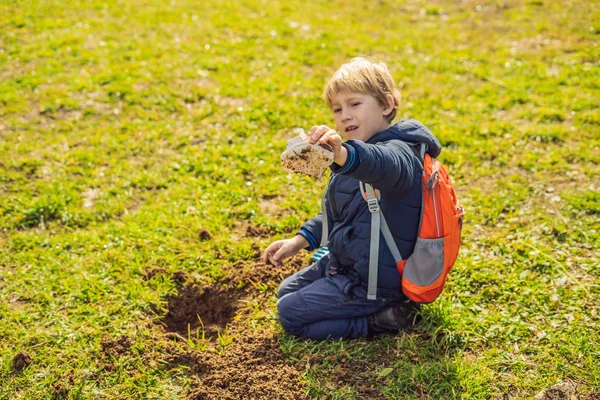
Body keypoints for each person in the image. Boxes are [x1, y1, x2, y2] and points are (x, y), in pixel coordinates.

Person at [262, 57, 442, 340]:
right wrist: (298, 241)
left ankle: (379, 319)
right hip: (350, 263)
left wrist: (344, 154)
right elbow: (340, 214)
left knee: (291, 313)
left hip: (377, 281)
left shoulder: (400, 152)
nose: (344, 115)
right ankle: (359, 299)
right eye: (337, 109)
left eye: (354, 104)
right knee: (286, 291)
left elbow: (384, 165)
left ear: (386, 105)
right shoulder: (353, 157)